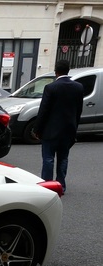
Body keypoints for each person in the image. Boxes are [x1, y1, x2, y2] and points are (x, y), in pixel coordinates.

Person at [33, 60, 84, 193]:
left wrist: (37, 129)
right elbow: (79, 111)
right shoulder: (78, 87)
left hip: (50, 131)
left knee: (48, 159)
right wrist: (74, 128)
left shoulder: (51, 88)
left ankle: (48, 185)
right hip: (68, 130)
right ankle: (61, 185)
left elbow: (43, 110)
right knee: (63, 158)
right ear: (68, 71)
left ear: (56, 72)